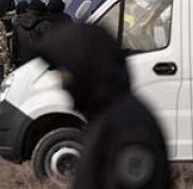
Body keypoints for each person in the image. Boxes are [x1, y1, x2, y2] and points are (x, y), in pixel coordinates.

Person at [35, 25, 171, 189]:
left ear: (84, 66)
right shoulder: (106, 117)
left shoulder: (127, 126)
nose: (62, 82)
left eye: (65, 71)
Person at [13, 0, 47, 66]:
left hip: (22, 60)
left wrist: (14, 59)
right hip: (40, 62)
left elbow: (14, 43)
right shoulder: (44, 24)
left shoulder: (18, 23)